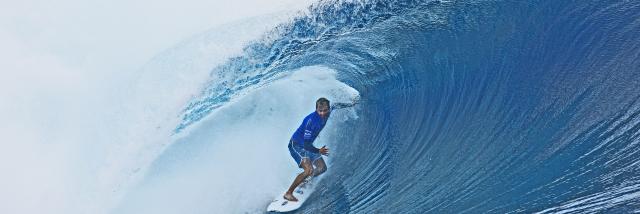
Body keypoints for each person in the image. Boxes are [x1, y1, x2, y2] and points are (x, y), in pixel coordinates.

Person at [284, 97, 332, 202]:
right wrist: (318, 151)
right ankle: (288, 193)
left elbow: (336, 106)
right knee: (309, 169)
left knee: (322, 168)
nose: (323, 113)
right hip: (296, 145)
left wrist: (350, 103)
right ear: (316, 110)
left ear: (328, 108)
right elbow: (305, 145)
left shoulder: (328, 112)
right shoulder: (311, 121)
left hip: (308, 145)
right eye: (320, 111)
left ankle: (304, 179)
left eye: (325, 110)